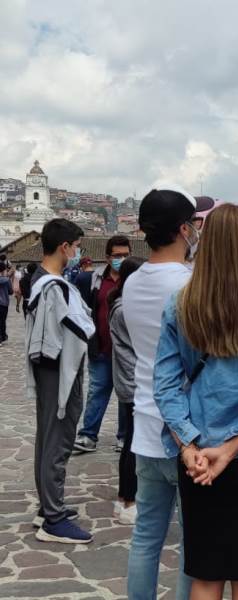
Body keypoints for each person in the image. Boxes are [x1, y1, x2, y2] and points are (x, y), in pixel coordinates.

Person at [153, 204, 238, 600]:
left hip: (198, 459)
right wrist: (230, 449)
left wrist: (189, 446)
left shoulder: (181, 305)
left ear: (207, 243)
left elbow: (164, 387)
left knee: (206, 573)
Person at [123, 185, 214, 600]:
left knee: (146, 539)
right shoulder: (192, 286)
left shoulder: (133, 282)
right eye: (195, 225)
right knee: (192, 545)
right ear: (183, 229)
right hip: (187, 430)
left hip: (144, 424)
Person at [26, 218, 95, 543]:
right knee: (58, 440)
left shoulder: (41, 279)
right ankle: (53, 518)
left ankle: (48, 507)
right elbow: (80, 329)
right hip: (58, 372)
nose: (77, 251)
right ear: (64, 247)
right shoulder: (52, 286)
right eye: (76, 245)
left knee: (48, 438)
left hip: (50, 371)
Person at [74, 236, 132, 454]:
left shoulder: (135, 279)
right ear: (108, 257)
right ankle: (88, 435)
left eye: (125, 255)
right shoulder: (94, 279)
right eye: (117, 256)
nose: (122, 259)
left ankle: (125, 437)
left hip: (127, 349)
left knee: (126, 393)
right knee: (97, 390)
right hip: (101, 347)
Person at [108, 256, 145, 525]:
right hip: (134, 383)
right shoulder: (124, 310)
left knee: (131, 440)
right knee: (133, 442)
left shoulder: (121, 305)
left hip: (129, 381)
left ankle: (124, 497)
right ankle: (129, 499)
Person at [0, 265, 12, 344]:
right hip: (3, 303)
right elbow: (11, 292)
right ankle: (2, 336)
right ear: (3, 270)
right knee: (2, 321)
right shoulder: (7, 280)